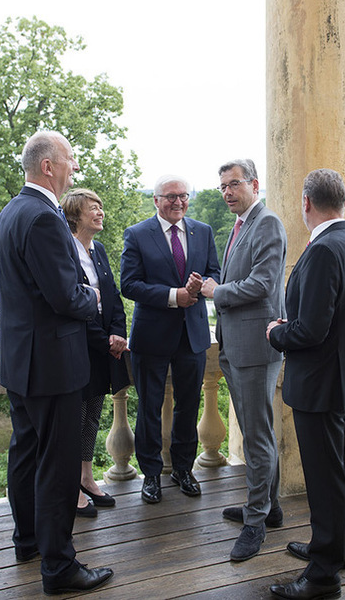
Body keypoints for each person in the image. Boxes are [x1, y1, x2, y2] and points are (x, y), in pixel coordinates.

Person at [0, 130, 113, 595]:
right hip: (53, 366)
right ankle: (59, 568)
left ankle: (28, 542)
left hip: (20, 363)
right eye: (69, 160)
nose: (74, 168)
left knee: (25, 454)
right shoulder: (43, 218)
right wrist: (94, 296)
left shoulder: (10, 213)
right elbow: (64, 296)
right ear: (47, 166)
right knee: (58, 466)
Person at [265, 169, 345, 600]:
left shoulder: (325, 250)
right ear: (342, 202)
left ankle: (324, 574)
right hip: (341, 378)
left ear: (306, 202)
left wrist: (276, 332)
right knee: (337, 466)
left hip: (319, 382)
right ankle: (334, 546)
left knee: (325, 475)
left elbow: (310, 330)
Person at [199, 159, 286, 562]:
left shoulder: (266, 222)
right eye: (222, 187)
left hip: (255, 347)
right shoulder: (240, 226)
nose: (228, 192)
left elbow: (263, 284)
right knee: (258, 430)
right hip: (236, 346)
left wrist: (217, 292)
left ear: (254, 184)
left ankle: (255, 524)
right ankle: (271, 509)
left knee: (256, 436)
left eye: (234, 184)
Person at [120, 175, 221, 504]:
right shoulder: (137, 234)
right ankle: (150, 475)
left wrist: (201, 286)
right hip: (152, 337)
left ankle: (183, 469)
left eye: (183, 196)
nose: (178, 202)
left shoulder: (202, 231)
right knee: (149, 408)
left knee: (189, 406)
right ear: (156, 200)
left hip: (192, 335)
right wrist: (173, 295)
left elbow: (215, 273)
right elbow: (129, 285)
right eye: (170, 196)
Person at [61, 188, 130, 518]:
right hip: (80, 350)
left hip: (103, 350)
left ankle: (87, 477)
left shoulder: (98, 249)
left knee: (92, 416)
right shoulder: (66, 251)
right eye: (93, 208)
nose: (100, 212)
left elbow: (113, 298)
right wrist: (105, 340)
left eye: (101, 207)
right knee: (74, 420)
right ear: (76, 215)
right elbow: (74, 306)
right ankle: (70, 486)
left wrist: (118, 332)